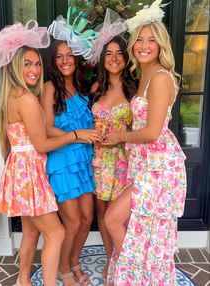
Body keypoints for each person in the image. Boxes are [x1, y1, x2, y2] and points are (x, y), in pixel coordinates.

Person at [0, 20, 100, 286]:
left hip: (21, 171)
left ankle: (23, 280)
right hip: (29, 175)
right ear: (14, 67)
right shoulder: (28, 99)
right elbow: (42, 144)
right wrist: (76, 135)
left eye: (36, 64)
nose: (34, 70)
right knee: (55, 234)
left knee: (31, 232)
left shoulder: (13, 96)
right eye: (27, 64)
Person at [102, 1, 187, 285]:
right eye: (139, 39)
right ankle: (139, 276)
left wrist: (120, 136)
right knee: (137, 228)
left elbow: (152, 132)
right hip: (145, 164)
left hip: (158, 167)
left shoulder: (160, 78)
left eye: (152, 40)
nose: (144, 45)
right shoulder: (144, 76)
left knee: (116, 220)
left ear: (161, 44)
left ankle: (137, 277)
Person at [41, 10, 101, 286]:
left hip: (84, 162)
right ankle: (64, 269)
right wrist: (78, 135)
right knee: (73, 223)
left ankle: (74, 261)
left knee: (88, 218)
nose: (65, 61)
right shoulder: (50, 87)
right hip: (63, 161)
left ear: (76, 59)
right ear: (53, 61)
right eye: (59, 56)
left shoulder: (81, 87)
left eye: (69, 55)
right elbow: (47, 128)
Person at [90, 34, 137, 284]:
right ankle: (111, 259)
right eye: (108, 53)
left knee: (119, 218)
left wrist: (120, 136)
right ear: (103, 59)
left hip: (123, 162)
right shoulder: (97, 89)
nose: (114, 58)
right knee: (102, 213)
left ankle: (126, 263)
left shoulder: (134, 88)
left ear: (125, 57)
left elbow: (144, 129)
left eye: (119, 53)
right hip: (99, 161)